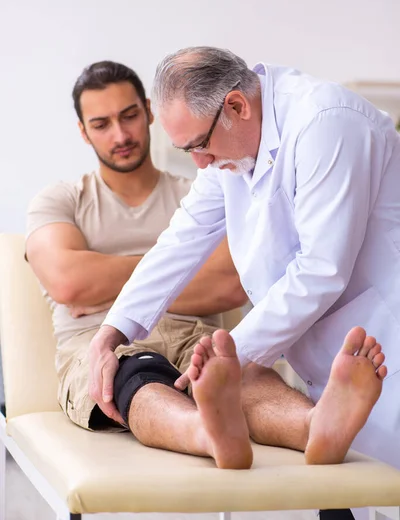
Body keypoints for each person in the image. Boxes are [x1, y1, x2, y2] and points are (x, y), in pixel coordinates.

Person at [88, 47, 394, 472]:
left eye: (199, 145)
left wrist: (225, 359)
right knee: (342, 479)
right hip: (333, 356)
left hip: (387, 338)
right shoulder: (226, 148)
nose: (200, 163)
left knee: (382, 485)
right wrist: (111, 332)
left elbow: (322, 269)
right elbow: (182, 238)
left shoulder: (327, 121)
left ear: (236, 105)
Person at [26, 60, 248, 432]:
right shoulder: (61, 200)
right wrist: (179, 269)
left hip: (196, 339)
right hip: (100, 345)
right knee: (135, 375)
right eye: (101, 125)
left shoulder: (202, 193)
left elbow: (230, 284)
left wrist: (102, 281)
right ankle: (206, 433)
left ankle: (314, 424)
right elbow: (69, 283)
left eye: (129, 116)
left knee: (249, 374)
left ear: (148, 112)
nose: (119, 135)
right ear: (84, 132)